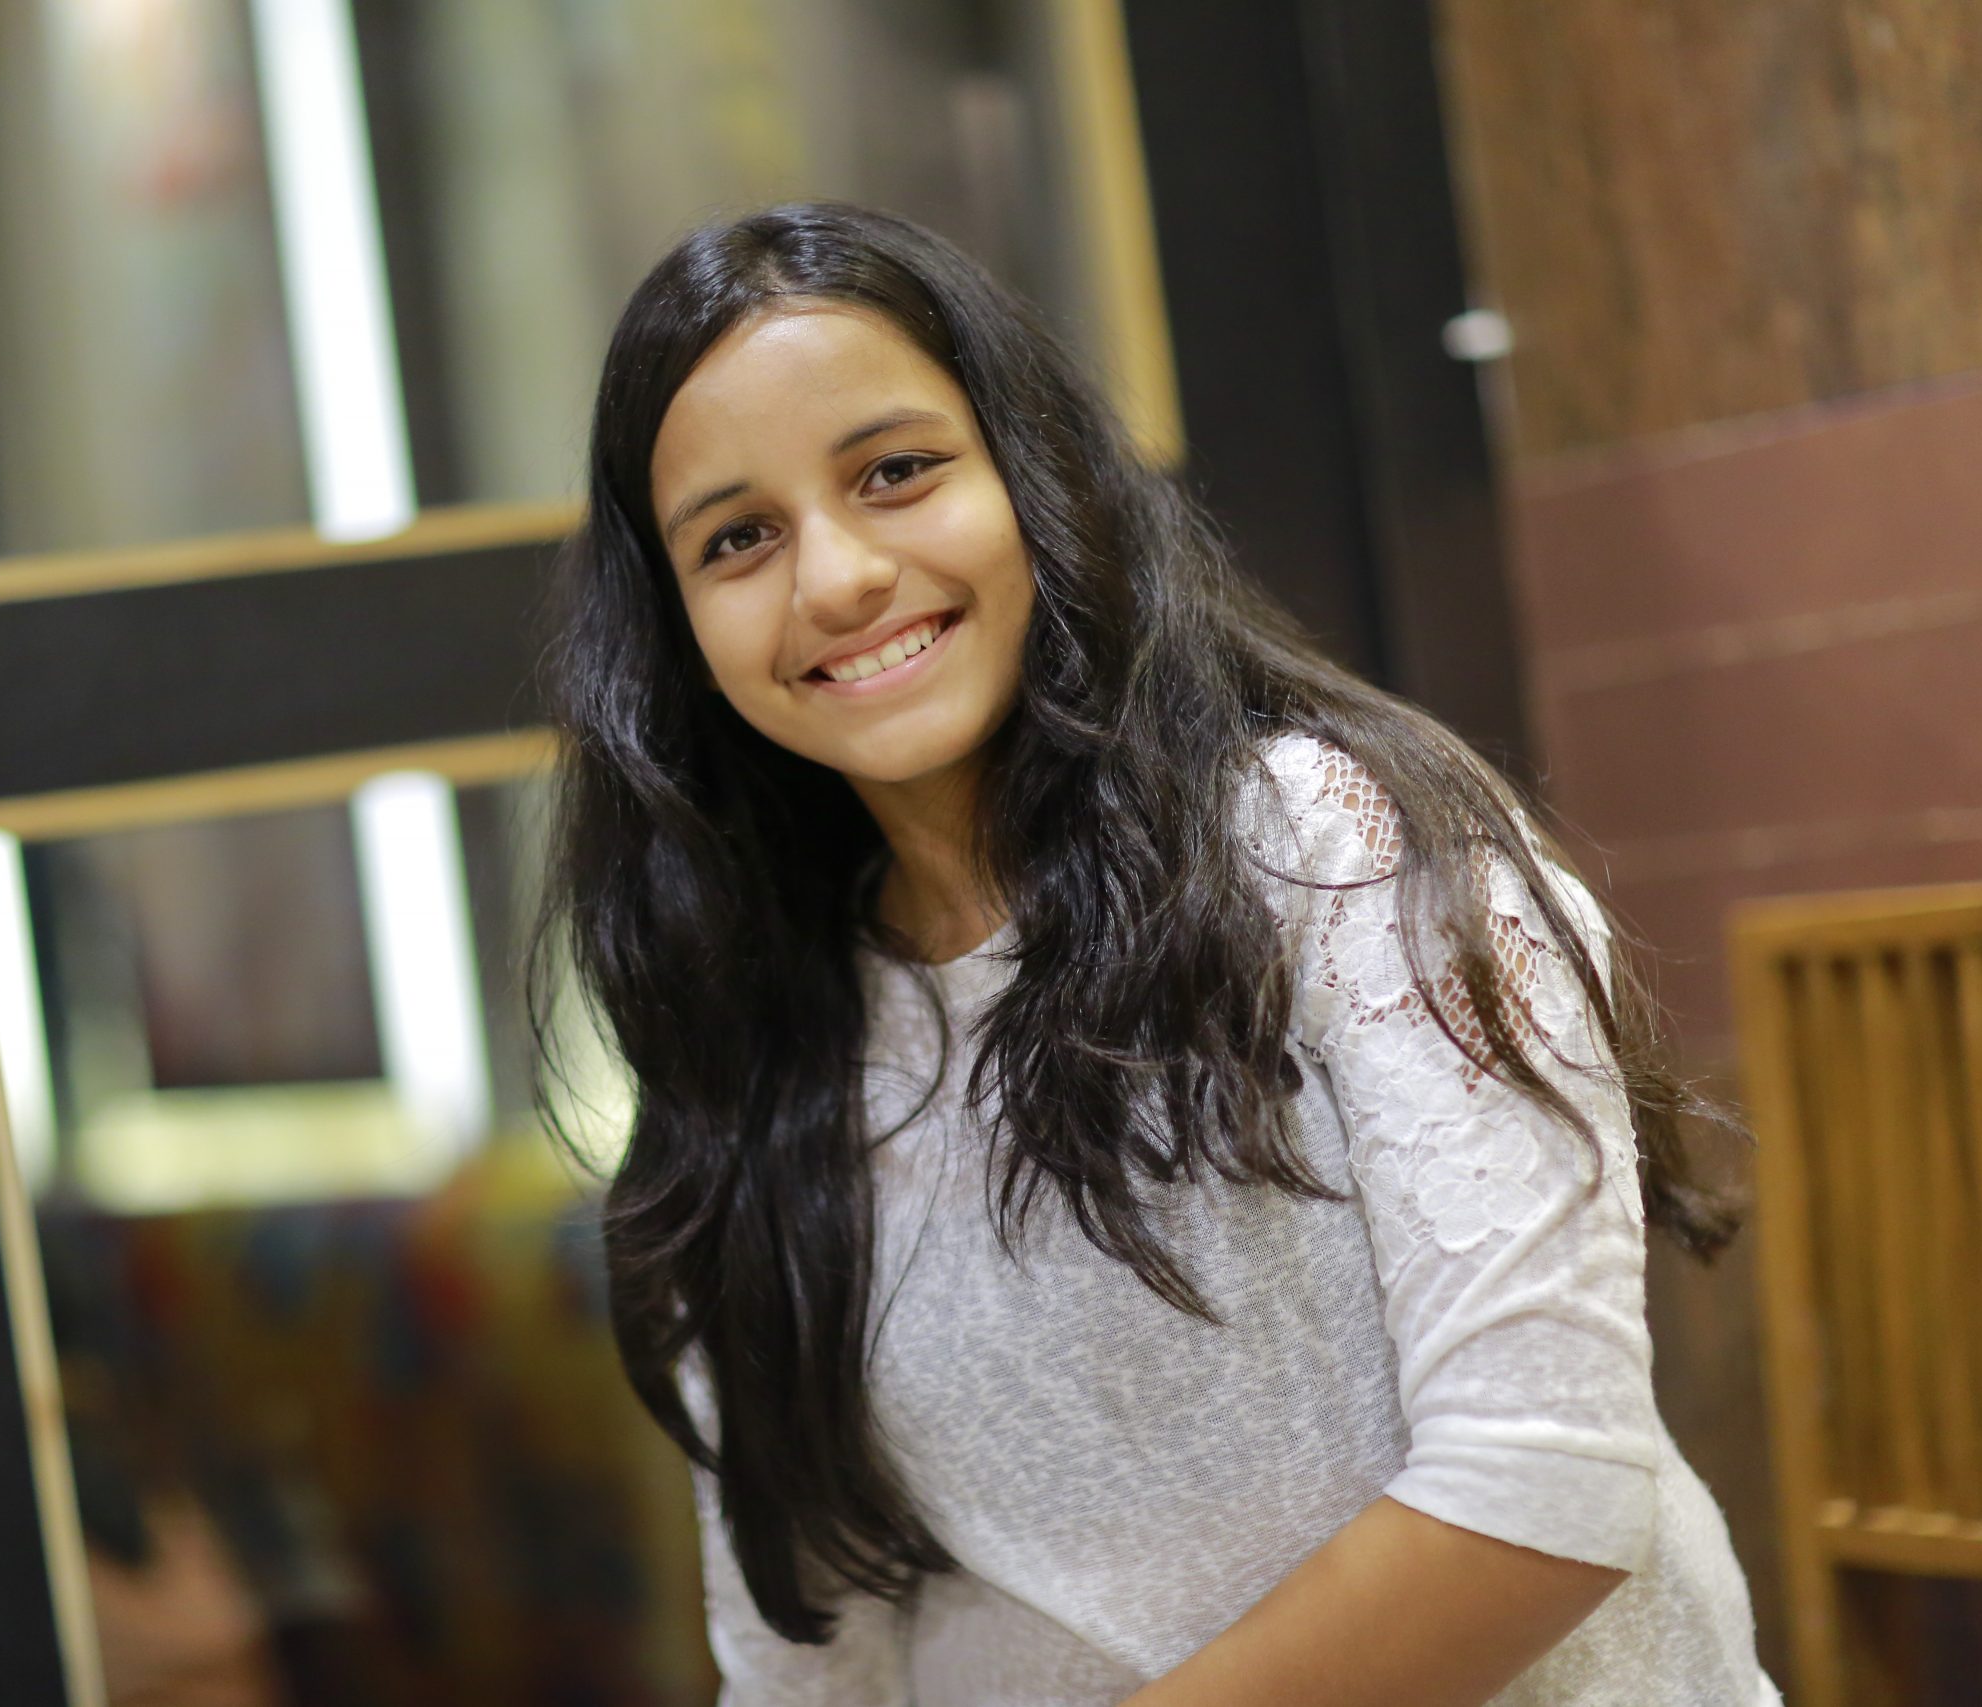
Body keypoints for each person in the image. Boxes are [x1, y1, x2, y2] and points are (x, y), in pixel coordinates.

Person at [527, 201, 1779, 1706]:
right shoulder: (753, 1047)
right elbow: (809, 1662)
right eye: (738, 539)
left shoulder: (1339, 842)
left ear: (1033, 474)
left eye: (896, 472)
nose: (839, 577)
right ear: (672, 629)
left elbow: (1544, 1493)